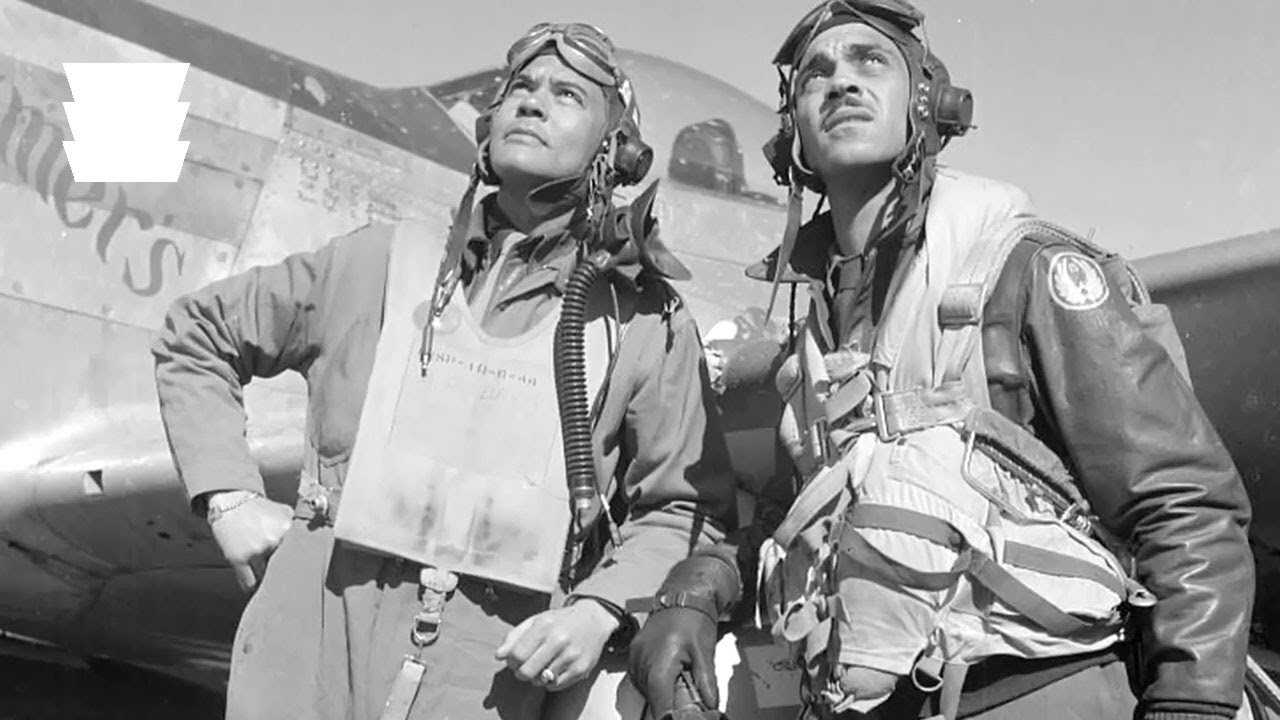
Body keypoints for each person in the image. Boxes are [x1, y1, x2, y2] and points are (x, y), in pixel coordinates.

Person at [627, 1, 1254, 719]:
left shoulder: (1017, 272)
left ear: (925, 102)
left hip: (1038, 690)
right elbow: (796, 509)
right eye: (815, 74)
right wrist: (697, 592)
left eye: (870, 62)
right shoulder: (821, 318)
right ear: (791, 125)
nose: (840, 83)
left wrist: (1191, 708)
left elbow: (1184, 504)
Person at [153, 22, 734, 720]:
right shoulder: (376, 264)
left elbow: (686, 507)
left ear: (615, 149)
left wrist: (598, 611)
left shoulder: (643, 324)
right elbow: (197, 334)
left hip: (483, 679)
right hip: (303, 661)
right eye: (521, 87)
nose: (532, 102)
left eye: (567, 95)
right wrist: (228, 496)